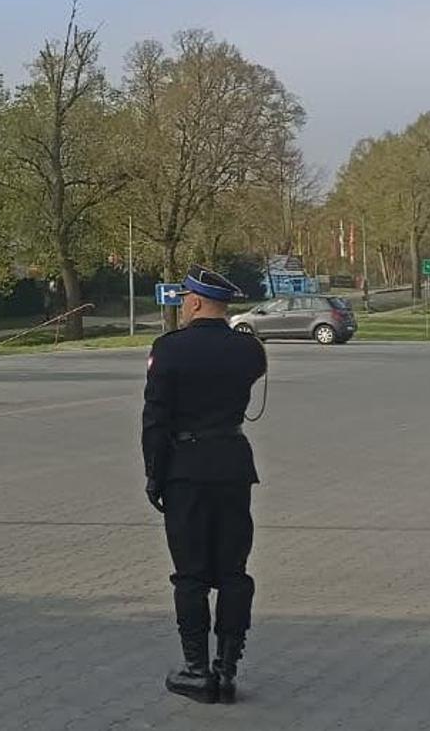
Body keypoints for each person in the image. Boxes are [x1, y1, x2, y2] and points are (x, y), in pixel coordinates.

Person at [144, 265, 266, 705]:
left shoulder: (170, 350)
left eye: (182, 301)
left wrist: (154, 476)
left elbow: (155, 420)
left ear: (193, 302)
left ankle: (196, 670)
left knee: (191, 575)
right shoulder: (250, 350)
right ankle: (227, 669)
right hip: (233, 467)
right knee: (233, 572)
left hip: (186, 471)